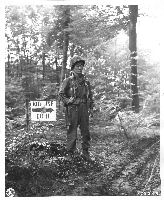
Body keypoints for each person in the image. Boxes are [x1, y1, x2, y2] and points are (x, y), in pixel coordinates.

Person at [59, 55, 94, 161]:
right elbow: (61, 93)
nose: (80, 68)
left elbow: (90, 96)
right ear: (73, 67)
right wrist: (67, 101)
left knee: (85, 131)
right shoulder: (68, 81)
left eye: (81, 66)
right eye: (77, 66)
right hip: (73, 108)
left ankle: (85, 152)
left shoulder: (86, 82)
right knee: (72, 130)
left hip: (84, 108)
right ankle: (70, 153)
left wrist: (91, 107)